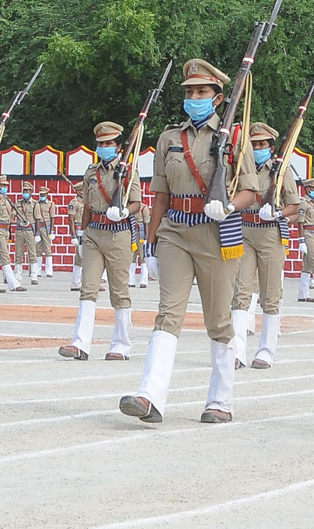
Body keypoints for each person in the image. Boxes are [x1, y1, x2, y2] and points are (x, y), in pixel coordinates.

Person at [119, 58, 258, 425]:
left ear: (218, 97)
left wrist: (227, 206)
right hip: (175, 232)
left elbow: (251, 191)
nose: (194, 97)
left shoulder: (233, 138)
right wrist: (149, 243)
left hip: (216, 235)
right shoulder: (169, 138)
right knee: (168, 313)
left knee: (218, 320)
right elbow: (160, 196)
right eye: (190, 92)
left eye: (202, 91)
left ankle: (221, 400)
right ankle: (150, 396)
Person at [59, 121, 140, 362]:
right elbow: (86, 205)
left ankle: (122, 345)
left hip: (118, 233)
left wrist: (125, 212)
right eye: (101, 143)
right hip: (94, 233)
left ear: (117, 146)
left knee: (119, 291)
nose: (104, 147)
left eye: (109, 143)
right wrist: (82, 234)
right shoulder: (91, 172)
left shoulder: (128, 170)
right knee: (88, 288)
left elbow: (137, 202)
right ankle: (80, 343)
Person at [230, 122, 299, 368]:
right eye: (254, 144)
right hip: (244, 231)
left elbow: (295, 205)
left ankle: (266, 351)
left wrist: (278, 213)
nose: (258, 148)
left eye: (262, 144)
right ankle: (237, 351)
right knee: (241, 293)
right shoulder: (240, 167)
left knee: (270, 295)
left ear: (271, 147)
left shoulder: (281, 171)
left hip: (270, 233)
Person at [0, 175, 26, 293]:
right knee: (5, 256)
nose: (5, 187)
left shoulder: (6, 199)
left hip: (5, 229)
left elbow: (8, 218)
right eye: (2, 185)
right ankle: (13, 284)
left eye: (6, 186)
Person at [12, 184, 38, 284]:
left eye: (27, 191)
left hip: (29, 230)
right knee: (19, 253)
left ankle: (34, 275)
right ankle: (18, 274)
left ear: (31, 191)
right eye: (24, 190)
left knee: (32, 253)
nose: (25, 192)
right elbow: (12, 217)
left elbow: (38, 219)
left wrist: (37, 234)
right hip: (19, 230)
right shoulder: (18, 203)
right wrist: (17, 222)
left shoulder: (35, 204)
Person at [34, 185, 56, 277]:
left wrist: (52, 231)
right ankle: (38, 270)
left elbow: (52, 218)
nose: (42, 196)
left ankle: (49, 270)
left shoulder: (51, 204)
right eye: (41, 194)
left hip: (46, 226)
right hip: (39, 226)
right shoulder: (36, 204)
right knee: (38, 249)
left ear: (47, 194)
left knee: (48, 249)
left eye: (43, 194)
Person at [130, 201, 153, 288]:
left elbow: (146, 224)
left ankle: (143, 281)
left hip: (141, 233)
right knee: (132, 257)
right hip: (132, 232)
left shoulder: (144, 208)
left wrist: (147, 238)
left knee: (143, 257)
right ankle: (131, 280)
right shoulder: (129, 207)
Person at [67, 181, 84, 291]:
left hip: (86, 231)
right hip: (78, 232)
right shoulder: (74, 202)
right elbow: (71, 220)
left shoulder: (86, 202)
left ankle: (83, 282)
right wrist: (73, 236)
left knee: (86, 258)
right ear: (78, 191)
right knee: (79, 258)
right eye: (83, 189)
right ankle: (75, 283)